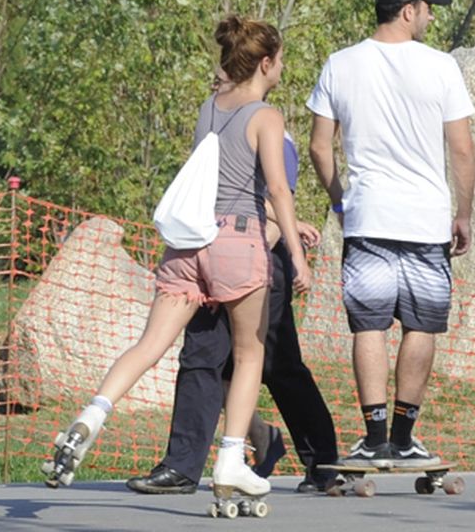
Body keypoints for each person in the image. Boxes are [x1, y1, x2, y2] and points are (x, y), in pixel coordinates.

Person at [42, 15, 311, 499]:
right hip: (237, 242)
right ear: (266, 63)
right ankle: (231, 459)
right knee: (250, 353)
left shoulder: (209, 107)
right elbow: (275, 187)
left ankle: (91, 415)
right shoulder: (267, 117)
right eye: (281, 61)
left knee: (149, 345)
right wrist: (296, 251)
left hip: (188, 246)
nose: (282, 68)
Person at [124, 77, 339, 496]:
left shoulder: (275, 133)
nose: (215, 80)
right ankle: (181, 467)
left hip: (257, 262)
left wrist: (273, 263)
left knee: (280, 368)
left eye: (225, 73)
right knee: (200, 359)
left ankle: (323, 463)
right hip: (210, 257)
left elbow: (278, 209)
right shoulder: (211, 125)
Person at [306, 0, 475, 468]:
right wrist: (463, 213)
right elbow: (462, 149)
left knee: (371, 326)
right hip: (425, 220)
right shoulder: (442, 67)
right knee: (421, 326)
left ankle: (374, 436)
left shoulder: (340, 64)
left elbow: (320, 146)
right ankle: (404, 438)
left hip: (369, 218)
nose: (429, 17)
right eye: (426, 8)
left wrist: (341, 201)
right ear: (408, 10)